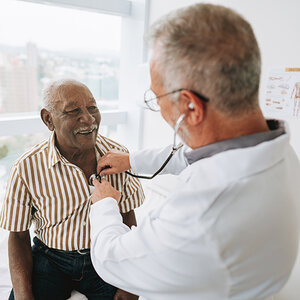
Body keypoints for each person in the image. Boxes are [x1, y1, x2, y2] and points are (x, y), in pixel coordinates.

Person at [89, 3, 300, 300]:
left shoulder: (202, 216)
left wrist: (104, 204)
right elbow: (192, 156)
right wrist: (132, 160)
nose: (158, 107)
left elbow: (111, 258)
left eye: (155, 97)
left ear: (190, 107)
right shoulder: (278, 152)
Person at [0, 79, 144, 300]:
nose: (88, 118)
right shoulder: (26, 167)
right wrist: (22, 295)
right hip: (51, 258)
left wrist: (130, 284)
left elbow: (127, 217)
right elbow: (18, 236)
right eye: (73, 110)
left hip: (103, 255)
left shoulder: (119, 155)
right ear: (48, 119)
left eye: (92, 108)